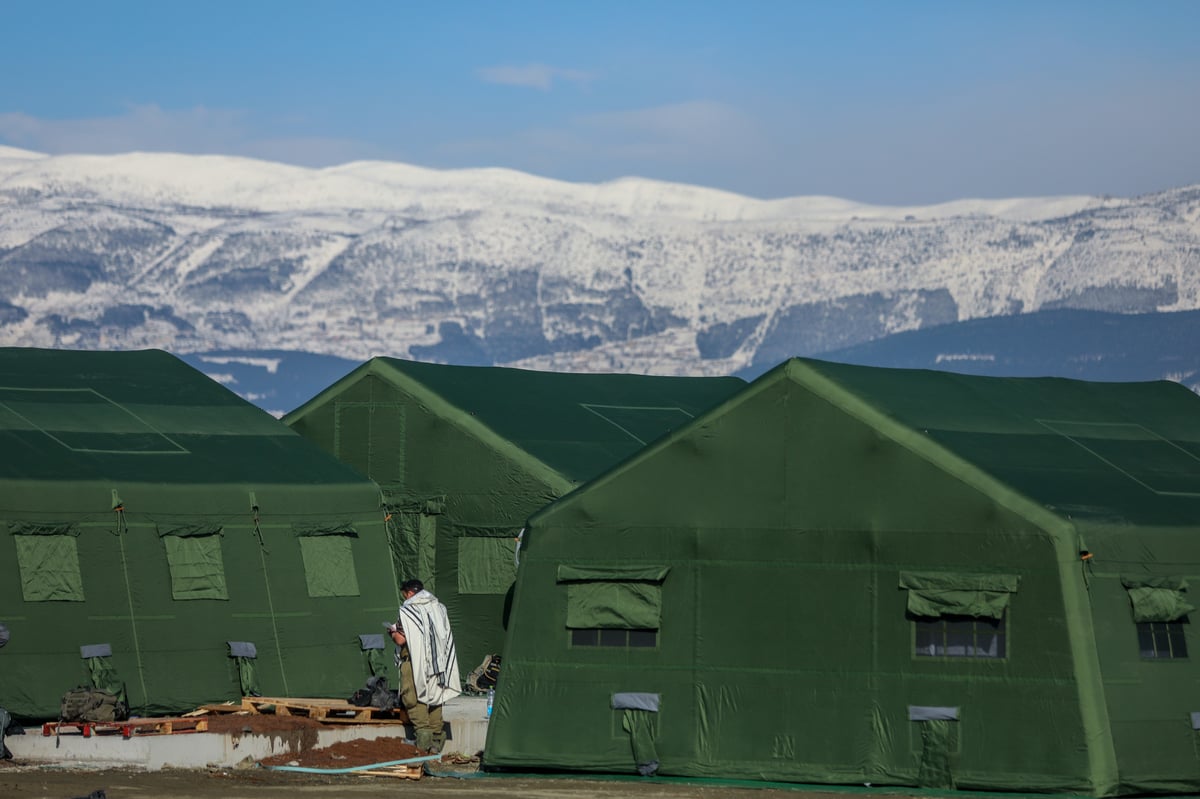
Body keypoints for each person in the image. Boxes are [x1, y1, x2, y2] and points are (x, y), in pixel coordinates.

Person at [388, 579, 461, 753]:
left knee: (414, 697)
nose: (404, 598)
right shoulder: (439, 608)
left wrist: (392, 632)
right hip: (438, 663)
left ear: (410, 593)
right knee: (436, 698)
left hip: (414, 662)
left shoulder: (408, 610)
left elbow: (400, 639)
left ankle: (422, 740)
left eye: (405, 594)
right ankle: (436, 740)